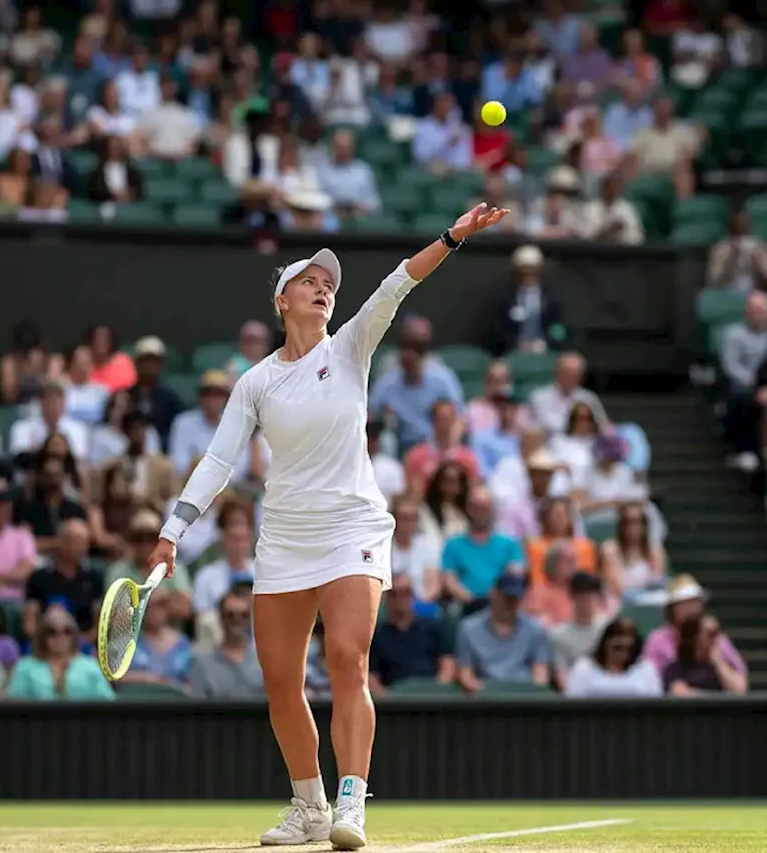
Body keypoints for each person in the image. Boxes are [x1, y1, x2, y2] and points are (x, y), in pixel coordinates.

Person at [146, 203, 510, 849]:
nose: (323, 287)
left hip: (353, 525)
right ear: (282, 298)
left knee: (347, 659)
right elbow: (220, 459)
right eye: (309, 280)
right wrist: (174, 527)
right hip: (285, 537)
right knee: (282, 681)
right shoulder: (255, 382)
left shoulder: (351, 347)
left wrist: (455, 236)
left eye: (329, 284)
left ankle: (350, 803)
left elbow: (399, 280)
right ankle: (307, 805)